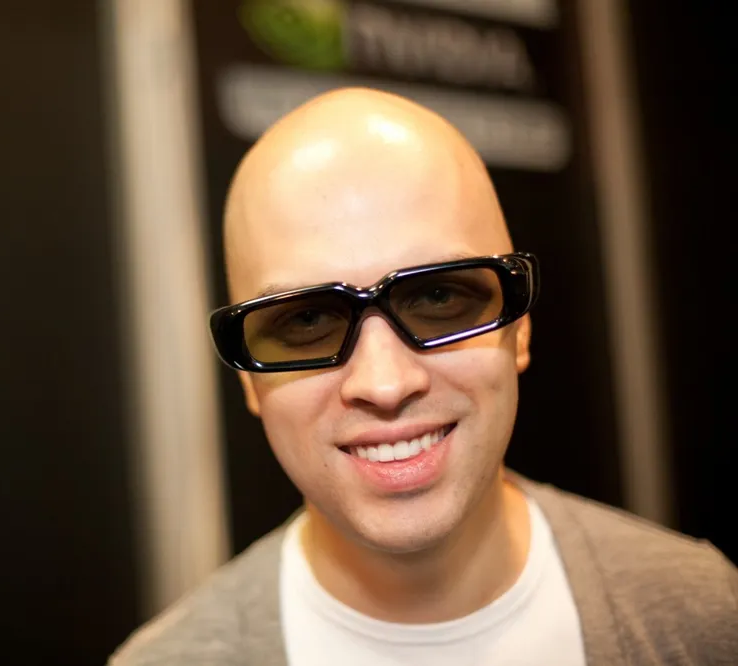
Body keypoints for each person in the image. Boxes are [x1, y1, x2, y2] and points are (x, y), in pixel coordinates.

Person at [109, 88, 738, 665]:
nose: (385, 384)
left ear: (520, 325)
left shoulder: (707, 617)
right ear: (248, 379)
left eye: (439, 297)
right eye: (307, 321)